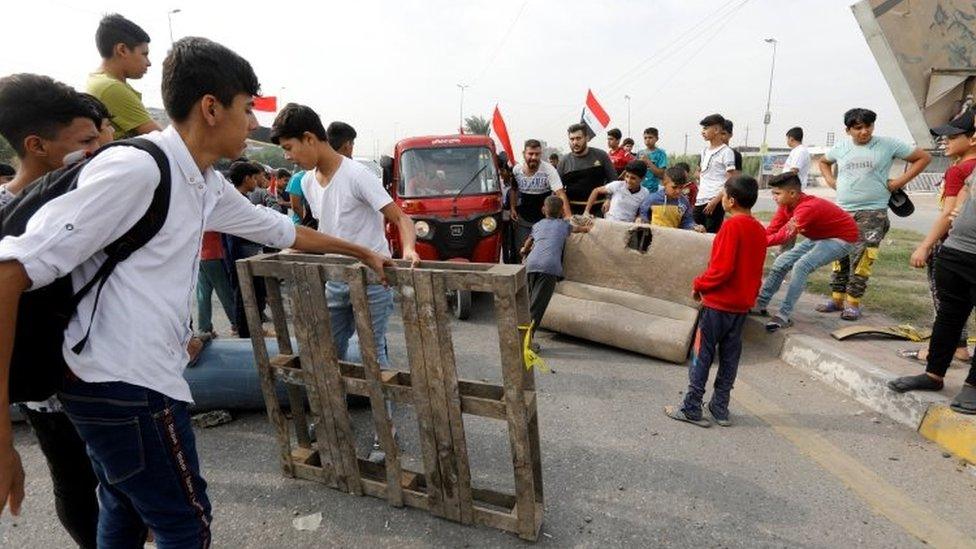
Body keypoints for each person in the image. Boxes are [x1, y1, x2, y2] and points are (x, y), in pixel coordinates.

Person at [0, 38, 392, 545]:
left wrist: (358, 252)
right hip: (125, 388)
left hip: (117, 385)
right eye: (247, 108)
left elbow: (279, 230)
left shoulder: (201, 180)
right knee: (185, 524)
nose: (254, 124)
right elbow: (10, 272)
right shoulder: (137, 169)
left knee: (123, 509)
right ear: (211, 108)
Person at [271, 102, 420, 461]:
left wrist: (410, 250)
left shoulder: (357, 175)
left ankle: (387, 431)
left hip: (372, 280)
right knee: (327, 353)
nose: (289, 158)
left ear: (310, 138)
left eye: (290, 148)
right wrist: (300, 251)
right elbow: (328, 232)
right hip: (335, 283)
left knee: (373, 355)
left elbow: (401, 218)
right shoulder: (307, 181)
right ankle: (329, 421)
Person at [0, 73, 106, 549]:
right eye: (85, 141)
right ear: (36, 144)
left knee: (118, 477)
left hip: (103, 370)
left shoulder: (86, 199)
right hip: (49, 385)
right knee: (74, 479)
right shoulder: (9, 212)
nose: (97, 151)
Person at [888, 110, 976, 415]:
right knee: (949, 318)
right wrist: (929, 244)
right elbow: (953, 209)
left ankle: (973, 386)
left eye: (954, 135)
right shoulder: (966, 170)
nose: (947, 141)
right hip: (956, 252)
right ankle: (933, 374)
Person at [665, 175, 766, 427]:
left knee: (703, 354)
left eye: (722, 195)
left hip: (718, 305)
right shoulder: (758, 229)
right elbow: (756, 271)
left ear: (730, 201)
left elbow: (721, 269)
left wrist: (699, 284)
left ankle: (691, 407)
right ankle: (720, 408)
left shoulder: (731, 227)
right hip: (741, 307)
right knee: (730, 358)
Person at [817, 108, 931, 320]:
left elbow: (923, 158)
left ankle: (853, 303)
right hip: (842, 210)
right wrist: (831, 181)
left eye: (868, 126)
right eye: (858, 128)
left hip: (873, 211)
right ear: (848, 130)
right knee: (838, 255)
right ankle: (836, 298)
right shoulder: (841, 147)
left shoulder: (887, 145)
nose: (864, 131)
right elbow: (824, 162)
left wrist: (898, 182)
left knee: (862, 257)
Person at [753, 172, 860, 332]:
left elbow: (784, 236)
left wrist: (757, 244)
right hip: (820, 236)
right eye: (773, 193)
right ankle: (760, 304)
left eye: (777, 193)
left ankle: (783, 315)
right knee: (782, 261)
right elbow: (773, 229)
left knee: (801, 266)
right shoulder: (786, 206)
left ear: (792, 193)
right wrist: (754, 241)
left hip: (843, 238)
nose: (774, 197)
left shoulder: (807, 208)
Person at [519, 195, 591, 350]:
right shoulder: (564, 225)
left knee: (530, 302)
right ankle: (526, 343)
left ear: (543, 210)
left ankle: (522, 338)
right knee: (537, 307)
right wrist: (588, 228)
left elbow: (529, 241)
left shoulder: (537, 225)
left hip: (530, 264)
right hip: (549, 268)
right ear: (561, 212)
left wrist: (524, 250)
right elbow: (579, 229)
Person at [86, 14, 161, 139]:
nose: (148, 63)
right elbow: (161, 138)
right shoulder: (111, 88)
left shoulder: (98, 80)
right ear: (122, 50)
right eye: (144, 54)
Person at [225, 161, 270, 338]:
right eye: (254, 178)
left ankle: (251, 330)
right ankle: (247, 332)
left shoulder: (236, 198)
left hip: (239, 252)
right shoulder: (239, 201)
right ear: (247, 178)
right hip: (243, 252)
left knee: (247, 294)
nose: (257, 181)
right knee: (247, 294)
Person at [511, 139, 571, 249]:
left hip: (545, 222)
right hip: (524, 220)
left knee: (543, 250)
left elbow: (560, 193)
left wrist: (568, 216)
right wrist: (512, 208)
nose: (534, 157)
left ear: (541, 154)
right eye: (530, 154)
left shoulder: (549, 170)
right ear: (524, 154)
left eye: (537, 154)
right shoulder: (516, 170)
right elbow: (513, 190)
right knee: (522, 250)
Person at [558, 123, 616, 216]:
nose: (575, 142)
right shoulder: (564, 161)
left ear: (587, 138)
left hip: (600, 210)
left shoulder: (601, 155)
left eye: (578, 138)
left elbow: (613, 180)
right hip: (573, 212)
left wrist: (609, 199)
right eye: (572, 139)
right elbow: (558, 189)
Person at [694, 114, 737, 233]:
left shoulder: (726, 152)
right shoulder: (704, 151)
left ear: (717, 129)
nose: (703, 132)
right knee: (694, 233)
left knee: (710, 235)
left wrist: (716, 201)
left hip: (715, 200)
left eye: (706, 128)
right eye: (703, 128)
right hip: (700, 199)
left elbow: (730, 181)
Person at [196, 231, 236, 338]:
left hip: (200, 256)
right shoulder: (209, 214)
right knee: (225, 292)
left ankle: (204, 328)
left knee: (203, 294)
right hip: (214, 254)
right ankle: (237, 323)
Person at [583, 160, 649, 222]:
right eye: (627, 176)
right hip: (610, 222)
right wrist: (586, 211)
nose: (628, 180)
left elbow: (642, 211)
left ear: (642, 179)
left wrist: (639, 218)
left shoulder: (645, 193)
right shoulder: (617, 185)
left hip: (628, 226)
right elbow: (596, 191)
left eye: (633, 178)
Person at [637, 166, 700, 230]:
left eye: (681, 187)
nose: (678, 191)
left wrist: (694, 227)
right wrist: (640, 220)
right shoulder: (652, 199)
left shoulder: (684, 202)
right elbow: (643, 216)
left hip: (673, 237)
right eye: (674, 187)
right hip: (654, 237)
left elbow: (687, 221)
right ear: (664, 183)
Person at [637, 127, 668, 193]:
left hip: (654, 189)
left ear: (656, 139)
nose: (647, 140)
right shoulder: (640, 153)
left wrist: (648, 161)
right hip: (640, 189)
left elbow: (661, 174)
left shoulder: (661, 154)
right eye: (645, 138)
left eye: (650, 137)